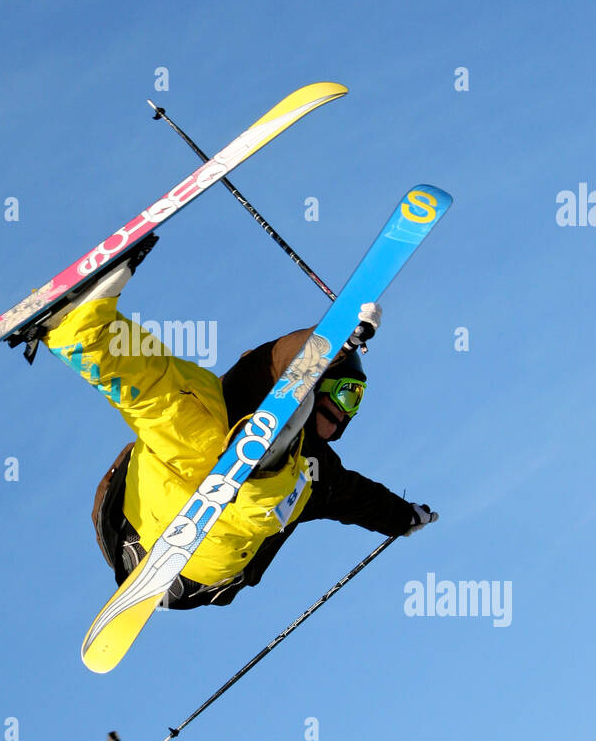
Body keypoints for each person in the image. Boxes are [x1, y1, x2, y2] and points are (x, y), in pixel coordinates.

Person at [41, 256, 437, 609]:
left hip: (200, 569)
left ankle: (265, 459)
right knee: (188, 403)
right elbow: (279, 357)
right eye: (347, 391)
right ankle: (79, 329)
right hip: (137, 514)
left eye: (357, 401)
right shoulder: (251, 384)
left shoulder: (325, 478)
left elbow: (368, 502)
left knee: (291, 481)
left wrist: (405, 517)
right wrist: (331, 344)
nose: (348, 409)